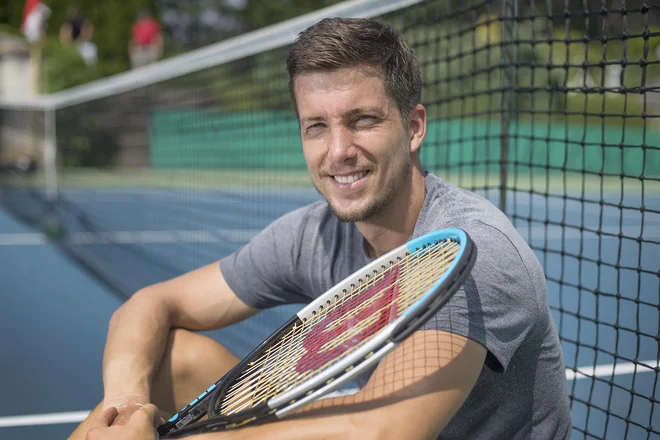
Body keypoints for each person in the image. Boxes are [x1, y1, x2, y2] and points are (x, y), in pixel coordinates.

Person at [72, 17, 571, 440]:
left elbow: (384, 429)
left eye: (363, 120)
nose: (338, 151)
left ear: (414, 127)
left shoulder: (474, 252)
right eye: (317, 126)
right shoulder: (313, 235)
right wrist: (125, 409)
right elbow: (149, 304)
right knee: (169, 358)